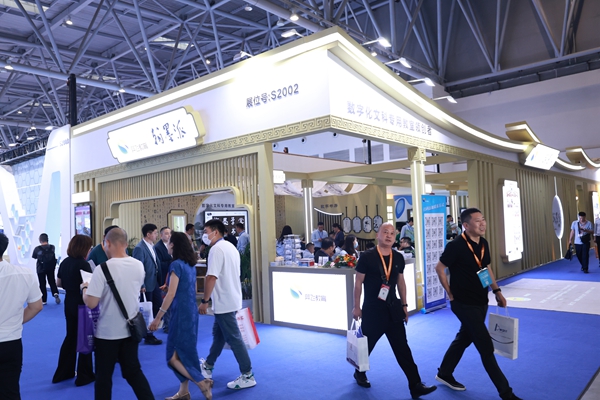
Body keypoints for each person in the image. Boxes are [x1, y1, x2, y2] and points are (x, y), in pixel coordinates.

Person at [434, 208, 521, 400]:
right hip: (463, 303)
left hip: (481, 300)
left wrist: (496, 291)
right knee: (486, 347)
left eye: (483, 219)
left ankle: (444, 373)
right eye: (477, 221)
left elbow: (485, 268)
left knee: (464, 338)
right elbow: (439, 268)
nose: (483, 224)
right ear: (466, 225)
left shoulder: (483, 243)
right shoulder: (456, 245)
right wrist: (449, 293)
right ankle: (506, 393)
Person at [352, 223, 436, 398]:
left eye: (392, 233)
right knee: (367, 346)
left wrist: (405, 305)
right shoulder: (367, 257)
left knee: (402, 348)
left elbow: (400, 282)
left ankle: (415, 385)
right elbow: (358, 283)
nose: (389, 235)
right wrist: (356, 307)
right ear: (378, 235)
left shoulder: (398, 257)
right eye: (385, 232)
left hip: (393, 309)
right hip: (373, 310)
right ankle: (359, 372)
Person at [82, 228, 155, 400]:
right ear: (125, 243)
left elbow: (91, 303)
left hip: (107, 333)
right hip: (131, 329)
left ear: (107, 243)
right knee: (133, 372)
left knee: (103, 378)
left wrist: (84, 288)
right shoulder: (138, 265)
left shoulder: (102, 269)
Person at [149, 232, 213, 400]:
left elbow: (171, 295)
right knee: (186, 351)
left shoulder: (176, 265)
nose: (167, 244)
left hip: (181, 313)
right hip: (190, 311)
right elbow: (186, 288)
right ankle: (184, 391)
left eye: (169, 241)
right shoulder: (189, 264)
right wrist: (170, 287)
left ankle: (201, 382)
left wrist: (158, 318)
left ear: (173, 245)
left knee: (172, 355)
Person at [198, 219, 257, 390]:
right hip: (231, 298)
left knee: (234, 338)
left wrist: (204, 301)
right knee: (219, 335)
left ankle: (247, 374)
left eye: (206, 231)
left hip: (224, 300)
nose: (204, 235)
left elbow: (211, 277)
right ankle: (208, 366)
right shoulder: (231, 247)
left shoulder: (216, 250)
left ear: (215, 232)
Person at [0, 233, 43, 399]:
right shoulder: (24, 274)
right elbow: (36, 306)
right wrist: (16, 321)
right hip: (11, 342)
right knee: (10, 391)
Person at [52, 234, 95, 386]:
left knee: (70, 336)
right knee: (85, 338)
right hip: (82, 304)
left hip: (69, 302)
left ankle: (64, 372)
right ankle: (84, 375)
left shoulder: (64, 262)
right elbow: (89, 286)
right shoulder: (84, 265)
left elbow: (59, 283)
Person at [132, 223, 163, 345]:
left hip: (154, 282)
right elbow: (138, 267)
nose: (156, 235)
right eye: (155, 233)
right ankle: (148, 335)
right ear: (148, 234)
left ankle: (150, 330)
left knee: (157, 305)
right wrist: (141, 284)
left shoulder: (152, 246)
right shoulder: (140, 248)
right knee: (147, 310)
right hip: (146, 284)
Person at [32, 233, 60, 305]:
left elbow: (34, 256)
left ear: (40, 240)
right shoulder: (52, 247)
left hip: (41, 268)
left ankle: (44, 300)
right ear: (47, 239)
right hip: (51, 267)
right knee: (52, 281)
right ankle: (55, 293)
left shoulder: (37, 249)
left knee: (42, 283)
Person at [155, 227, 173, 333]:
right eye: (166, 233)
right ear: (161, 235)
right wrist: (171, 262)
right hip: (164, 278)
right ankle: (167, 325)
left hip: (172, 276)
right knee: (166, 303)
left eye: (170, 233)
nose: (169, 235)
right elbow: (159, 264)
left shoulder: (172, 245)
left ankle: (171, 324)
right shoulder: (158, 247)